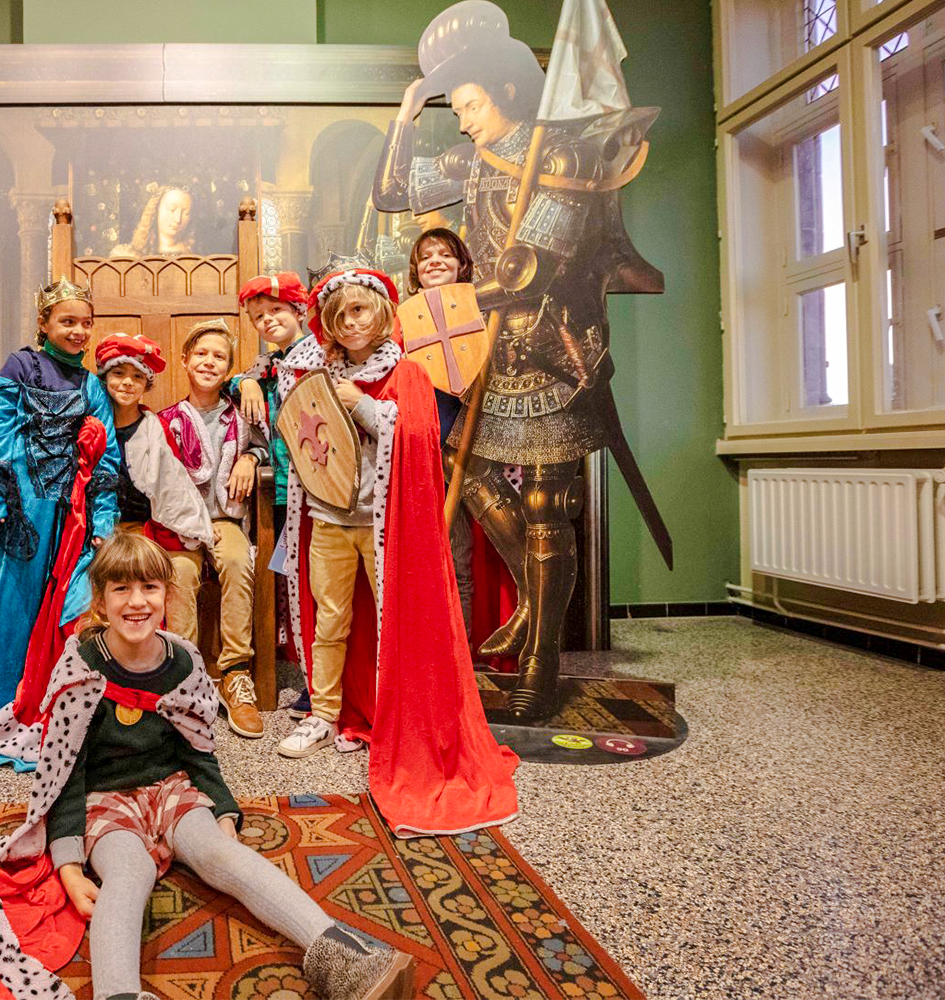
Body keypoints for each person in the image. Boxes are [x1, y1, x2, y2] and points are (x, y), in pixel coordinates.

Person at [0, 532, 416, 1000]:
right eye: (121, 589)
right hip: (104, 801)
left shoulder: (183, 662)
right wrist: (69, 865)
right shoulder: (80, 668)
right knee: (129, 873)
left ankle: (342, 957)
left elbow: (198, 749)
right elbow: (64, 772)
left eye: (149, 587)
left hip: (171, 788)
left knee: (219, 853)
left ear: (168, 595)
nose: (137, 601)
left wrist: (224, 811)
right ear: (100, 601)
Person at [373, 0, 664, 719]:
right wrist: (406, 117)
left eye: (468, 104)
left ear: (505, 90)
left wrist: (451, 301)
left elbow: (529, 267)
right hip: (494, 350)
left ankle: (541, 660)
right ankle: (535, 607)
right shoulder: (473, 157)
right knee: (464, 470)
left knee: (545, 505)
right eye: (455, 109)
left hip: (556, 349)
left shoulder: (561, 155)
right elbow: (391, 193)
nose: (463, 121)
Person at [274, 267, 519, 837]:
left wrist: (360, 404)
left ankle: (397, 720)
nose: (350, 322)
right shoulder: (314, 372)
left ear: (381, 313)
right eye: (339, 315)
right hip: (329, 517)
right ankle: (324, 713)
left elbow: (416, 436)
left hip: (386, 524)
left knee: (396, 622)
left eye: (359, 310)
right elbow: (302, 431)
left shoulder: (406, 372)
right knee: (330, 619)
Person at [0, 277, 120, 768]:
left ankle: (48, 713)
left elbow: (106, 459)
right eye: (67, 321)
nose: (78, 331)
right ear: (44, 324)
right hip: (18, 510)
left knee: (57, 614)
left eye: (86, 323)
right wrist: (0, 503)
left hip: (68, 521)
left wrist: (102, 522)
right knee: (6, 614)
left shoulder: (91, 385)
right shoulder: (22, 365)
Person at [404, 229, 520, 666]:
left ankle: (460, 660)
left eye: (445, 254)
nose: (434, 261)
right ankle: (427, 657)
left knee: (458, 560)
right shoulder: (406, 321)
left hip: (468, 454)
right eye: (425, 256)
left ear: (461, 264)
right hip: (421, 457)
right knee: (421, 564)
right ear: (415, 270)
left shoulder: (482, 313)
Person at [157, 321, 267, 739]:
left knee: (238, 562)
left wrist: (251, 459)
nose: (209, 362)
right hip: (183, 526)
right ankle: (183, 675)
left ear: (229, 369)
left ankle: (235, 672)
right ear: (185, 361)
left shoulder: (240, 416)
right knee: (180, 572)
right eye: (201, 354)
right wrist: (193, 526)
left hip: (225, 519)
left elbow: (264, 445)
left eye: (219, 356)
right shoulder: (167, 421)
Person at [229, 272, 315, 717]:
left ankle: (322, 684)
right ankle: (305, 673)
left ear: (298, 310)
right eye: (258, 316)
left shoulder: (319, 356)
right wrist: (244, 381)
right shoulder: (266, 369)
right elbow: (235, 383)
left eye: (276, 310)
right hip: (279, 495)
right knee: (291, 583)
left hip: (319, 491)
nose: (267, 321)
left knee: (319, 588)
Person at [93, 331, 217, 593]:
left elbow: (174, 487)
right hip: (103, 532)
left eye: (137, 377)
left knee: (181, 572)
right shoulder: (92, 429)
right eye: (118, 374)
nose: (128, 383)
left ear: (146, 384)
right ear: (104, 378)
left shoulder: (157, 429)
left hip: (148, 530)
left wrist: (197, 525)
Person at [112, 186, 194, 256]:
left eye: (186, 213)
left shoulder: (190, 256)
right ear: (155, 210)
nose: (178, 219)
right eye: (172, 209)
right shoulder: (126, 255)